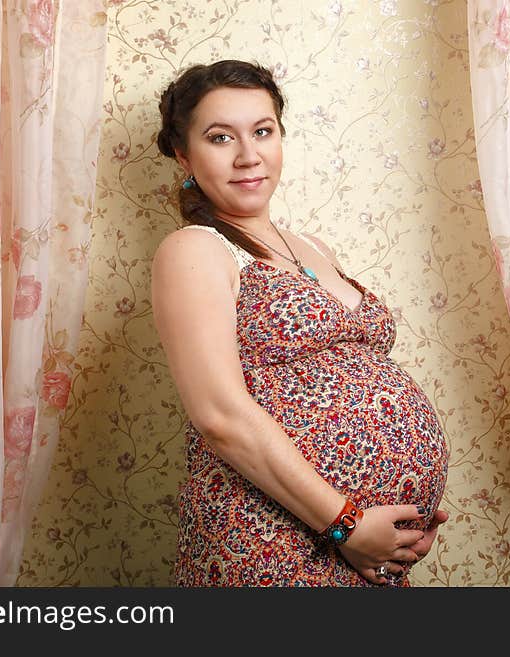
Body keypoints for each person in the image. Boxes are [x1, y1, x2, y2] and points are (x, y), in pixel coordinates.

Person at [150, 60, 449, 586]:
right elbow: (219, 414)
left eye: (262, 132)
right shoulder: (195, 248)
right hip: (271, 540)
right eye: (221, 138)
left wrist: (405, 526)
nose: (248, 156)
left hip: (359, 548)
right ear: (184, 154)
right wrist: (348, 524)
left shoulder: (313, 248)